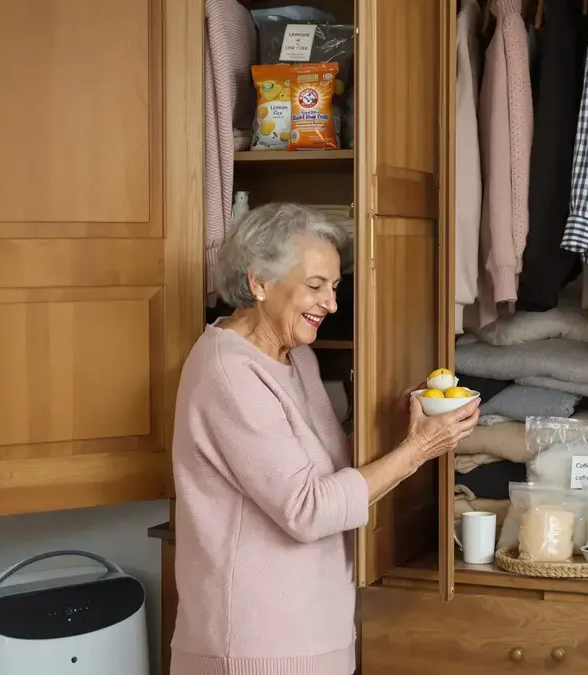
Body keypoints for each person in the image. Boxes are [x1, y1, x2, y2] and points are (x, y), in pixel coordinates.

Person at [169, 203, 480, 674]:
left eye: (334, 287)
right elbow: (307, 508)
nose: (332, 304)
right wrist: (417, 451)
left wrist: (405, 430)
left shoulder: (297, 357)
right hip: (253, 648)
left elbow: (328, 468)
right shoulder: (228, 372)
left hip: (315, 632)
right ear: (259, 283)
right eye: (315, 286)